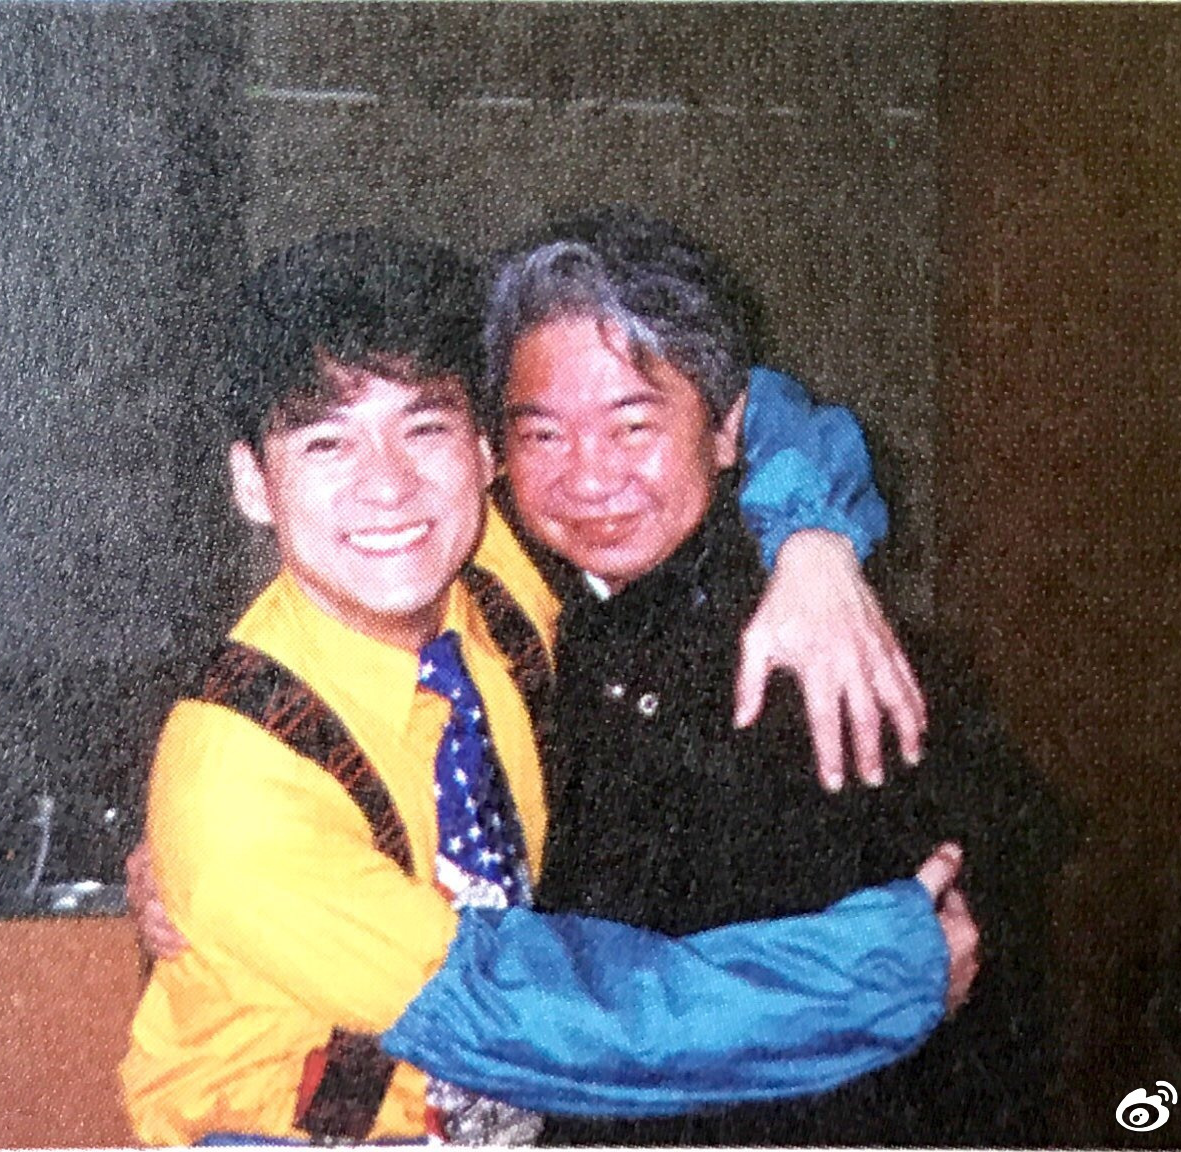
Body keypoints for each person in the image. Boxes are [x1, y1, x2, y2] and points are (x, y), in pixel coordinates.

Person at [119, 229, 979, 1146]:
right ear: (253, 483)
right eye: (327, 443)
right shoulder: (237, 783)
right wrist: (873, 979)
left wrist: (813, 540)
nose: (389, 488)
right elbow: (520, 1013)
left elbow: (747, 398)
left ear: (483, 451)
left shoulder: (489, 566)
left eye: (423, 428)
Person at [410, 207, 1069, 1144]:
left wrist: (813, 541)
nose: (590, 479)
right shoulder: (483, 603)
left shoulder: (832, 656)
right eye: (544, 436)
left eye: (634, 425)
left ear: (727, 433)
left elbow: (977, 996)